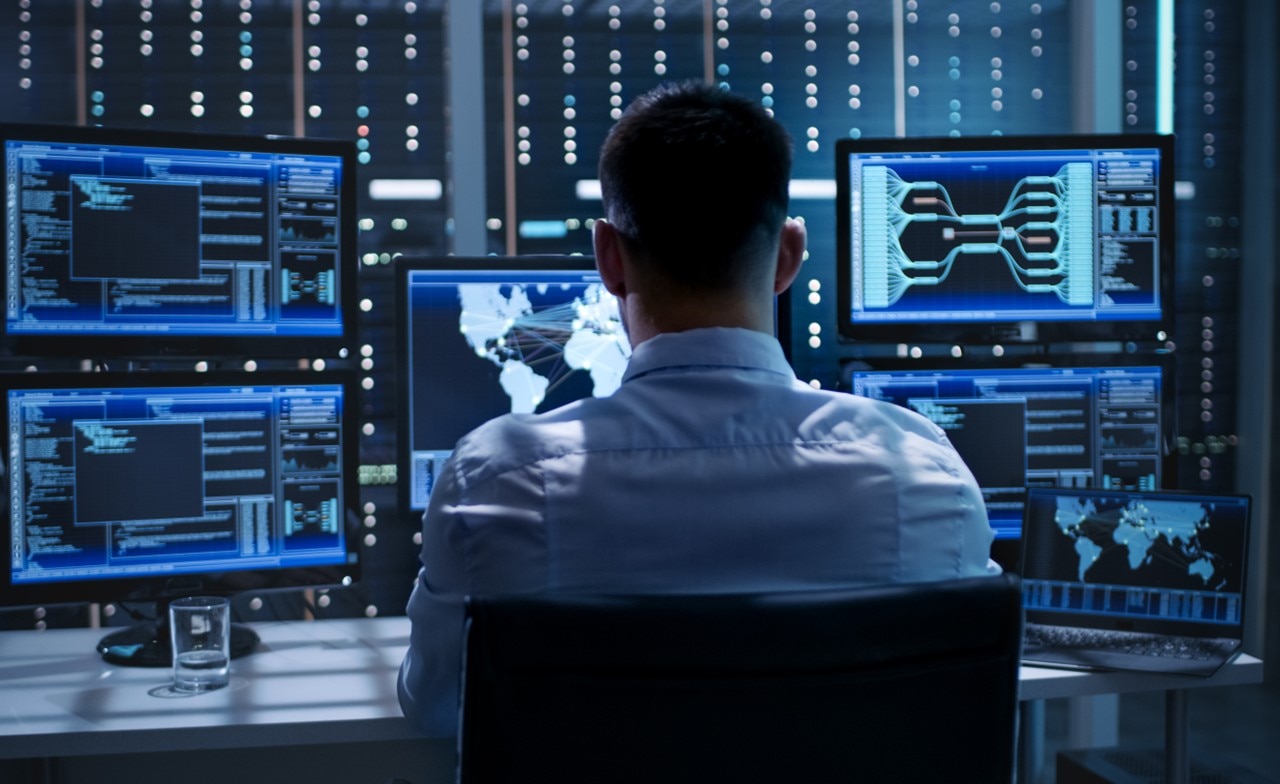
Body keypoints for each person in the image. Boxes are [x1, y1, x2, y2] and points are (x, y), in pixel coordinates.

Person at [397, 81, 999, 737]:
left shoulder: (495, 480)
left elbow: (434, 708)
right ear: (789, 256)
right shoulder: (924, 472)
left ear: (608, 257)